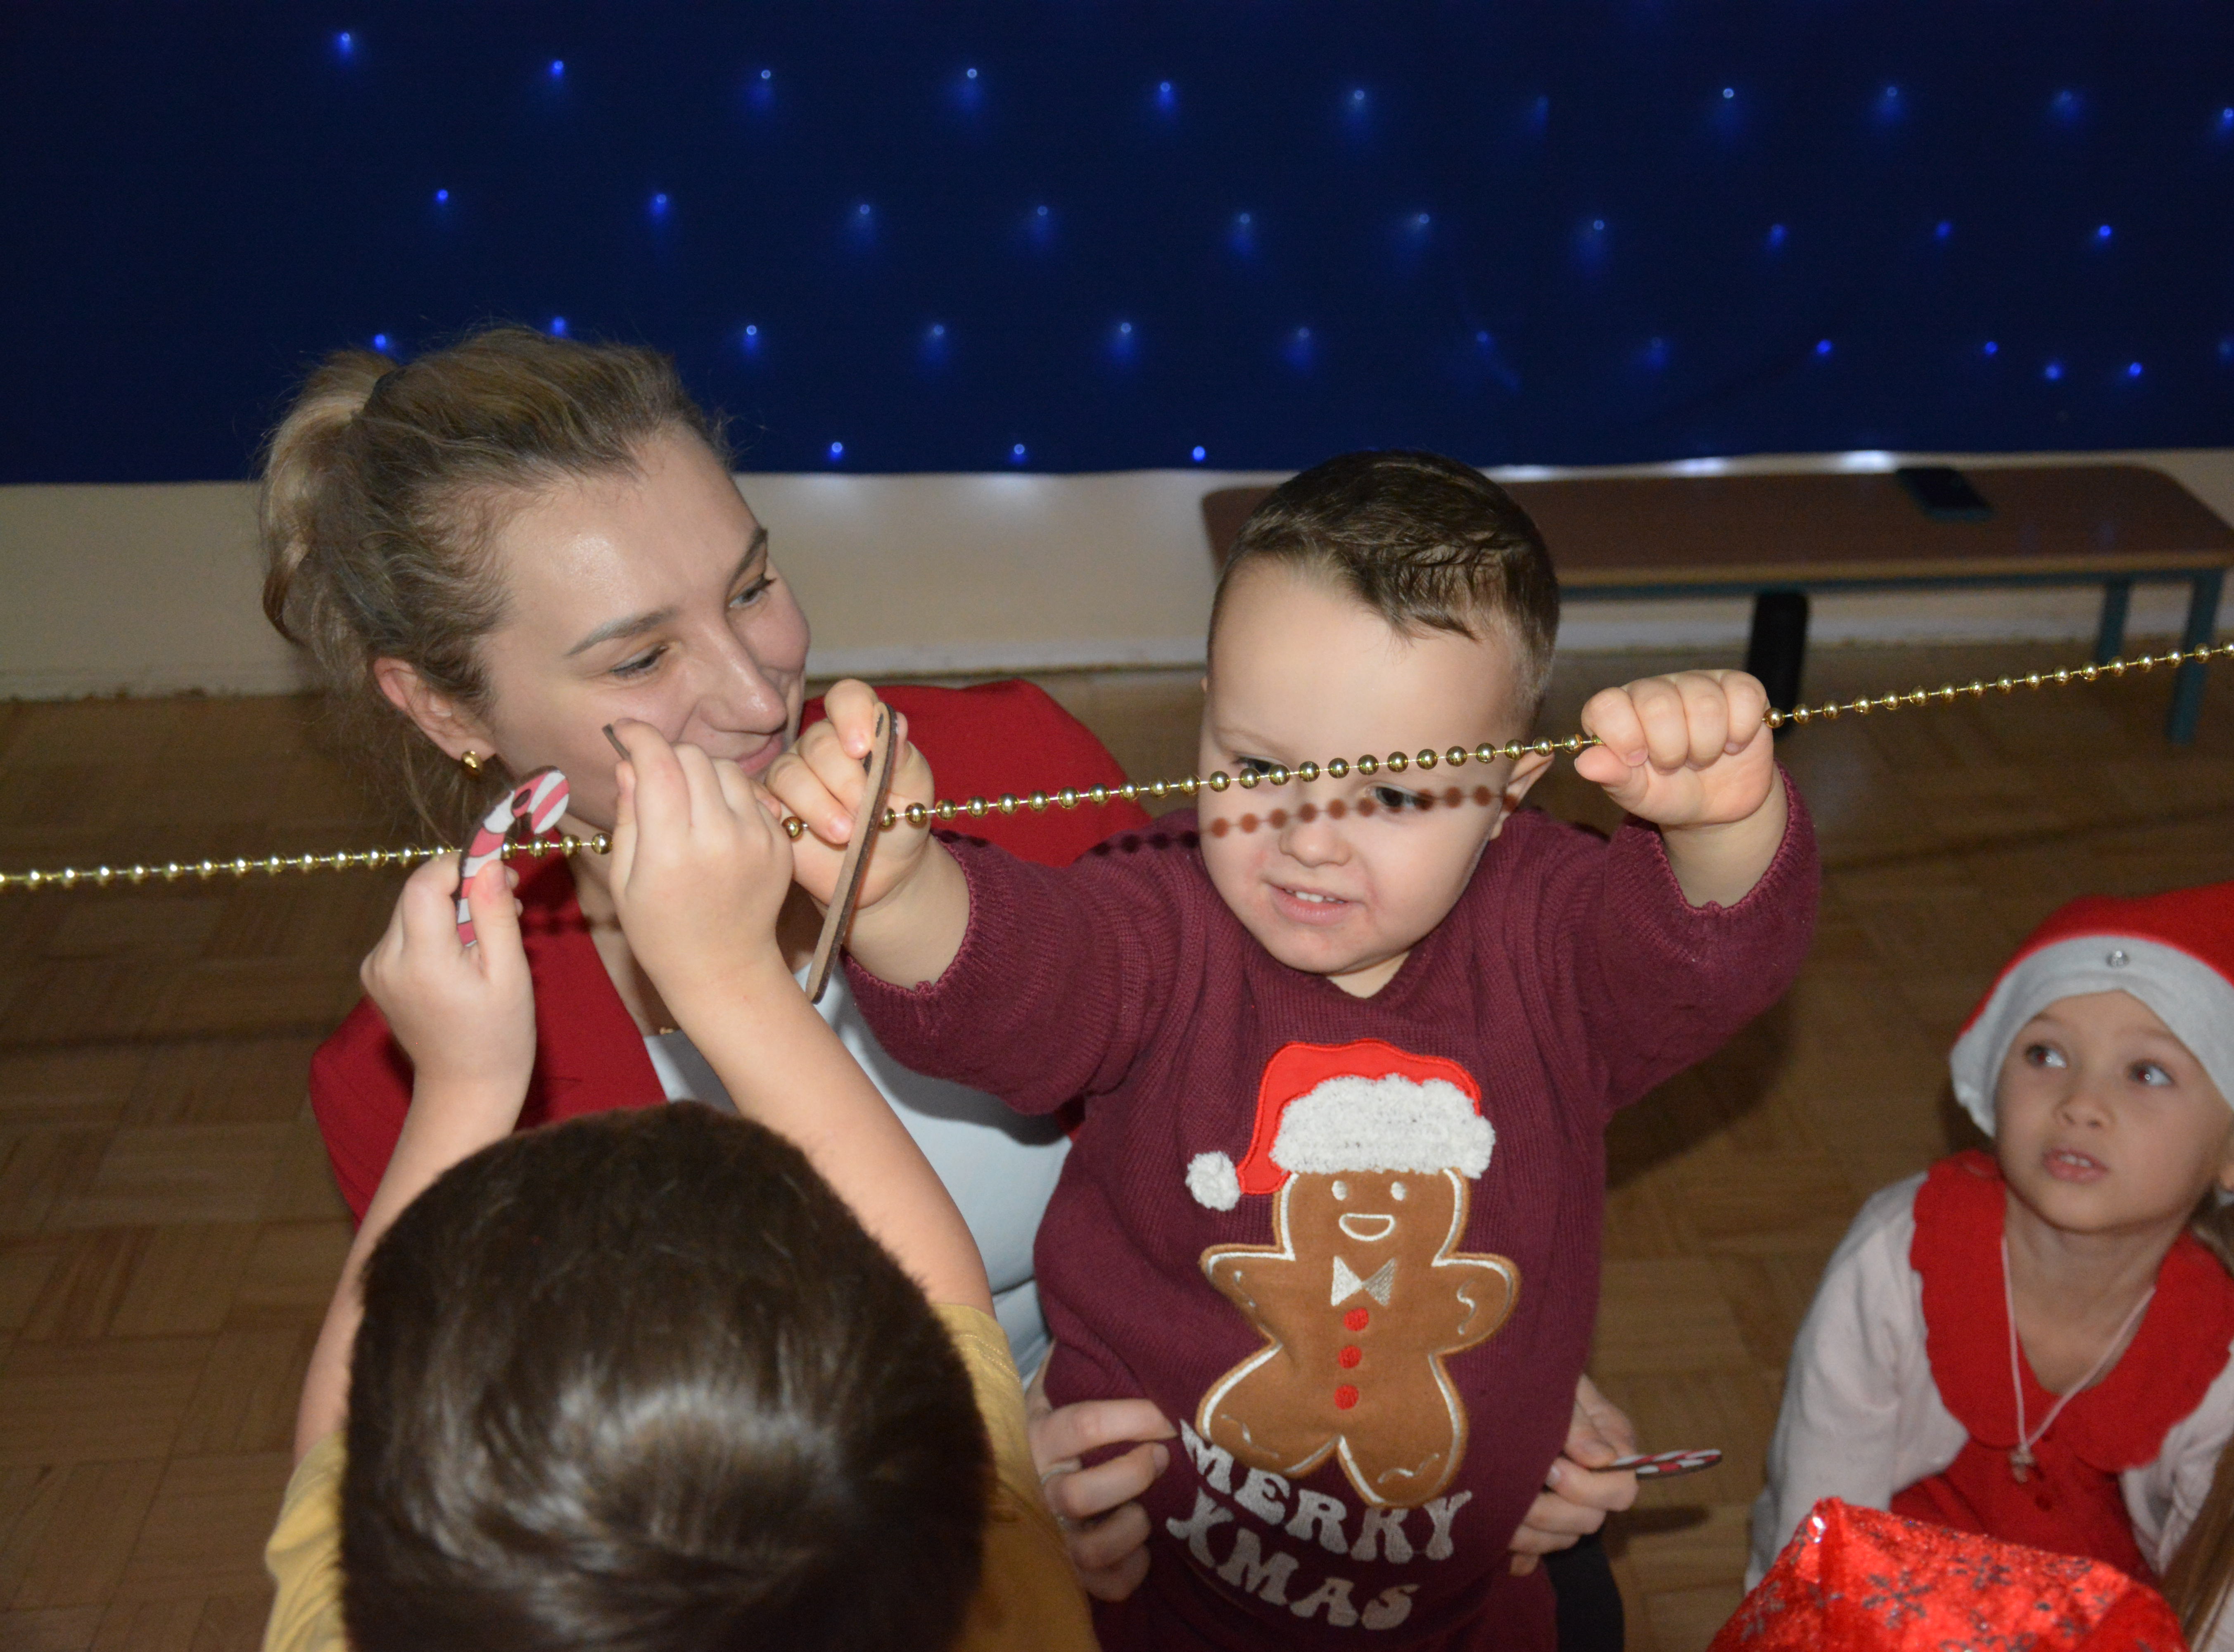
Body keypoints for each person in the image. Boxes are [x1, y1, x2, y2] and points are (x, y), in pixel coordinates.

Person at [258, 337, 1643, 1622]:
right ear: (442, 705)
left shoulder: (1010, 769)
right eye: (640, 655)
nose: (756, 691)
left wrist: (1461, 1366)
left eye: (751, 586)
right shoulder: (419, 1079)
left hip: (1245, 1445)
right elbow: (587, 1527)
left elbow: (1316, 1075)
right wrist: (998, 1491)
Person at [771, 450, 1822, 1649]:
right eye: (1261, 769)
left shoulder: (1554, 937)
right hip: (1148, 1585)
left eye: (1395, 794)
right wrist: (899, 887)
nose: (1310, 839)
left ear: (1508, 789)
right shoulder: (1159, 917)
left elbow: (1707, 957)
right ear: (1206, 716)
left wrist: (1728, 819)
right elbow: (1018, 980)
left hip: (1458, 1611)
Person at [263, 724, 1097, 1651]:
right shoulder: (996, 1597)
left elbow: (332, 1453)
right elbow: (933, 1285)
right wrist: (727, 975)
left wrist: (461, 1087)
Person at [1746, 878, 2234, 1652]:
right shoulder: (1898, 1260)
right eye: (2046, 1054)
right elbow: (1821, 1533)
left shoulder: (2227, 1359)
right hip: (1885, 1613)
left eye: (2148, 1072)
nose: (2080, 1103)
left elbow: (2224, 1605)